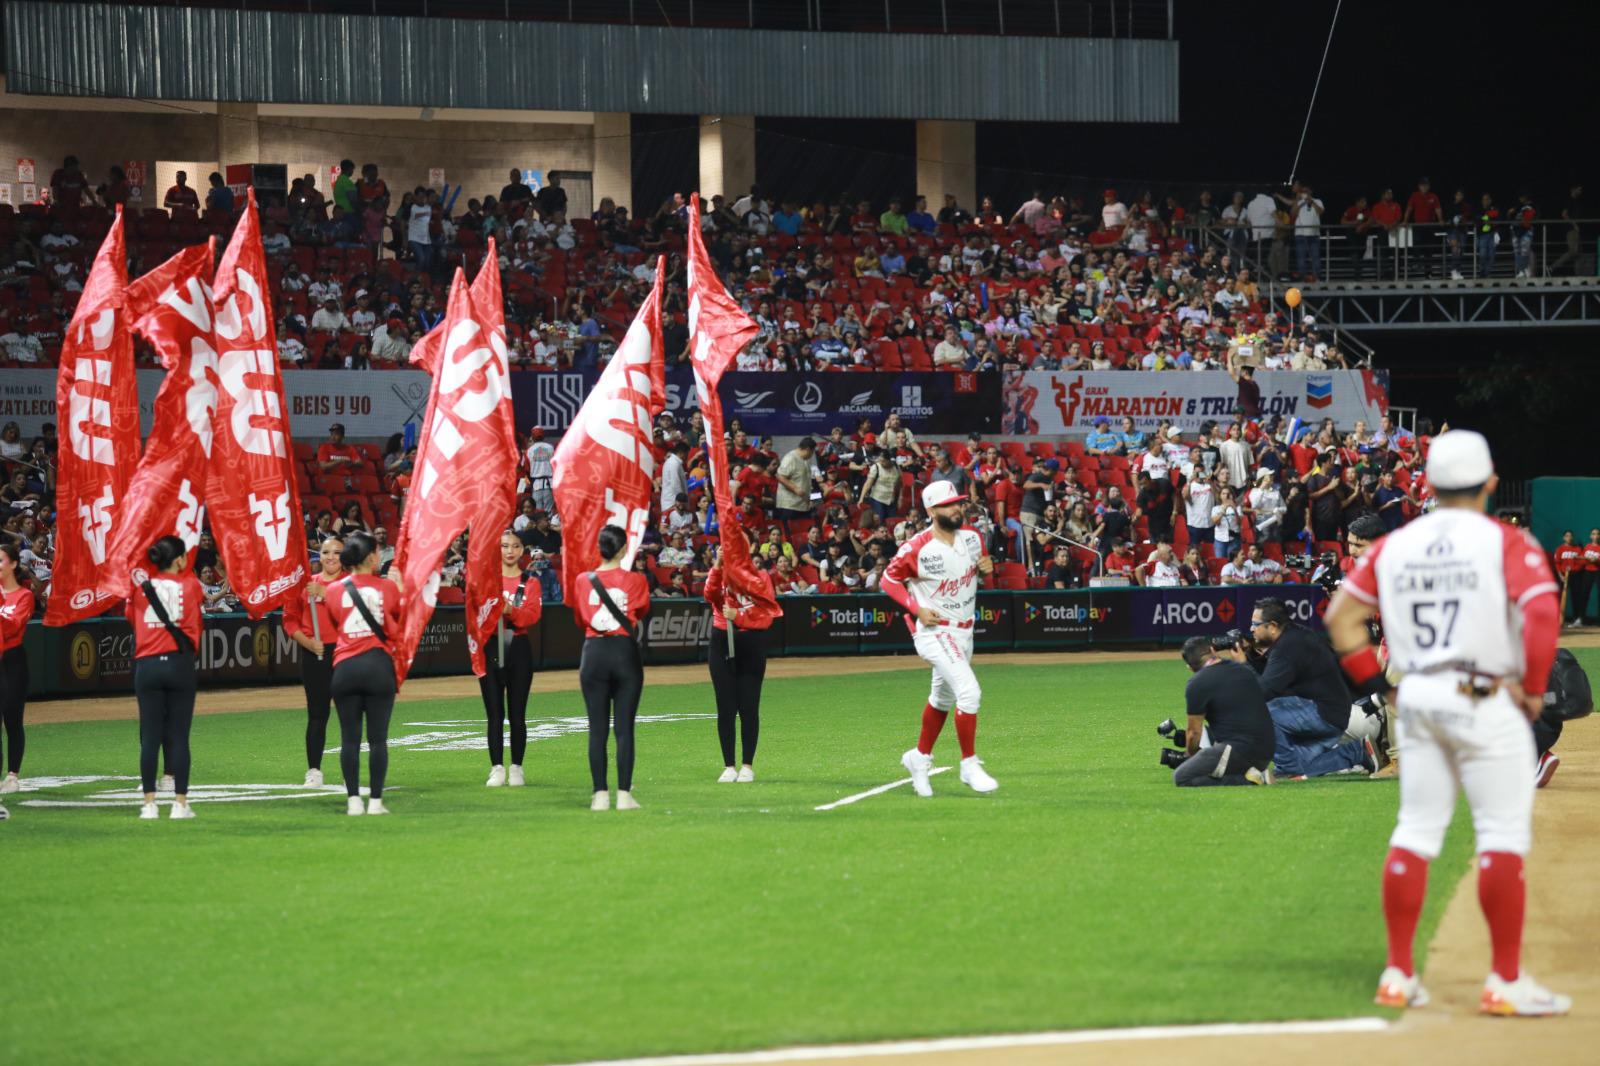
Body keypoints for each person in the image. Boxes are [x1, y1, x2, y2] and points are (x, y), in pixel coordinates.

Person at [1326, 429, 1570, 1017]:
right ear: (1490, 484)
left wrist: (1381, 686)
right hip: (1484, 695)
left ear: (1428, 485)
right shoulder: (1506, 542)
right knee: (1500, 836)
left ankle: (1398, 974)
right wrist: (1534, 691)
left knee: (1415, 830)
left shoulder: (1393, 545)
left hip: (1420, 696)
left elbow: (1341, 618)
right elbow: (1541, 614)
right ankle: (1504, 982)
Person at [880, 481, 999, 797]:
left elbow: (981, 567)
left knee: (942, 699)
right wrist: (916, 608)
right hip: (934, 631)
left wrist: (986, 569)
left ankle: (919, 759)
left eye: (958, 503)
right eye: (948, 505)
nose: (956, 508)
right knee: (969, 692)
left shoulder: (973, 538)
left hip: (964, 630)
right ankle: (969, 764)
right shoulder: (916, 547)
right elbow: (888, 580)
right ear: (931, 510)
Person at [322, 532, 402, 816]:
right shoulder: (388, 588)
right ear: (370, 557)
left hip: (345, 668)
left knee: (349, 739)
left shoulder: (333, 590)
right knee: (378, 739)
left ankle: (353, 801)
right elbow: (397, 618)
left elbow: (335, 619)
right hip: (378, 666)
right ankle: (376, 802)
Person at [1250, 597, 1375, 779]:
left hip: (1324, 715)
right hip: (1336, 713)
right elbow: (1275, 680)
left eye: (1255, 624)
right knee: (1302, 765)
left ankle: (1287, 767)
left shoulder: (1287, 647)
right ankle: (1357, 752)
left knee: (1262, 712)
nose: (1251, 629)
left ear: (1273, 626)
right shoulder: (1296, 635)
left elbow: (1264, 691)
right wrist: (1251, 656)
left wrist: (1243, 664)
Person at [128, 536, 204, 820]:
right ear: (179, 559)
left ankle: (149, 805)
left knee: (149, 737)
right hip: (178, 663)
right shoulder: (191, 585)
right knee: (179, 737)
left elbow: (132, 620)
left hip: (147, 664)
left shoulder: (140, 589)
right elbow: (196, 619)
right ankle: (180, 804)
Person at [576, 526, 650, 810]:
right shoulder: (636, 580)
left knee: (597, 729)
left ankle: (599, 795)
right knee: (624, 728)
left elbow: (581, 616)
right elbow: (641, 611)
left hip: (593, 652)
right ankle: (624, 795)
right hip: (624, 652)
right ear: (622, 550)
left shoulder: (584, 580)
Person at [704, 544, 781, 783]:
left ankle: (747, 765)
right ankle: (729, 765)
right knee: (725, 708)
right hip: (721, 641)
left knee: (749, 707)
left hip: (751, 642)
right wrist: (717, 565)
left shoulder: (761, 577)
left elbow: (767, 615)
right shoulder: (721, 573)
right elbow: (710, 594)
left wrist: (738, 616)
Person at [476, 532, 543, 787]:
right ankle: (496, 768)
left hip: (519, 648)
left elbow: (532, 615)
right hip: (490, 646)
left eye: (515, 546)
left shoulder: (531, 582)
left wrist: (511, 611)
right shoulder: (487, 581)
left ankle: (516, 767)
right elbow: (477, 614)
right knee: (494, 713)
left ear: (522, 550)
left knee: (518, 714)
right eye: (504, 546)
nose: (509, 551)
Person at [1172, 636, 1276, 787]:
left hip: (1240, 751)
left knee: (1182, 777)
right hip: (1267, 749)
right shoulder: (1242, 668)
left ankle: (1252, 780)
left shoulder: (1197, 683)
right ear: (1213, 650)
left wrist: (1190, 755)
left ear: (1190, 667)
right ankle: (1252, 772)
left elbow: (1194, 732)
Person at [282, 536, 344, 788]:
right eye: (326, 552)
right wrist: (307, 643)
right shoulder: (305, 585)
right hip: (314, 654)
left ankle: (351, 766)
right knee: (317, 715)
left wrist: (326, 593)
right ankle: (314, 770)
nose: (330, 557)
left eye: (337, 552)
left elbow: (356, 609)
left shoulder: (351, 583)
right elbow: (289, 620)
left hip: (344, 654)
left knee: (349, 714)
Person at [0, 543, 35, 801]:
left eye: (1, 560)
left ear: (12, 564)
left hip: (12, 661)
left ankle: (12, 775)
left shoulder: (24, 596)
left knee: (13, 720)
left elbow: (13, 627)